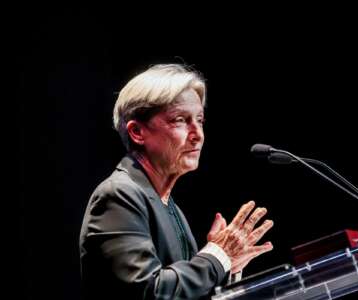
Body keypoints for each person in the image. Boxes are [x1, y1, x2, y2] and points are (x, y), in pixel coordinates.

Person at [79, 64, 274, 300]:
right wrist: (217, 256)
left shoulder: (168, 205)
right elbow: (151, 292)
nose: (198, 134)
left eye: (200, 120)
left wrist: (228, 266)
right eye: (180, 120)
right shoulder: (119, 196)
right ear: (137, 132)